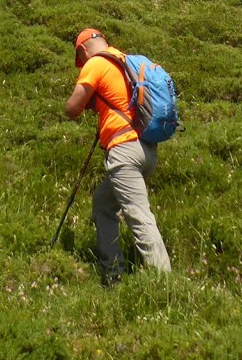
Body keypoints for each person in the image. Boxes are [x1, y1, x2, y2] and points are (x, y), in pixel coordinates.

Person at [64, 27, 171, 279]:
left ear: (83, 50)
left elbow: (72, 108)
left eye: (80, 61)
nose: (82, 65)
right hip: (146, 149)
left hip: (124, 151)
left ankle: (165, 283)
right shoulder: (125, 61)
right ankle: (113, 273)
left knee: (139, 216)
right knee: (103, 203)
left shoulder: (96, 63)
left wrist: (86, 104)